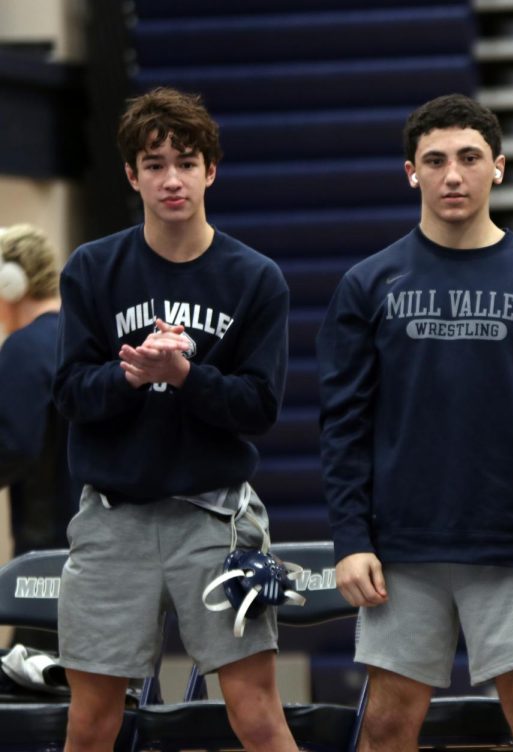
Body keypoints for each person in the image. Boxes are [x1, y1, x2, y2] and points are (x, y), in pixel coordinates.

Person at [317, 93, 513, 752]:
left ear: (499, 168)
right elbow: (343, 427)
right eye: (434, 160)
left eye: (469, 158)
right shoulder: (369, 285)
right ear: (410, 173)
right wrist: (349, 537)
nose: (452, 175)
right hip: (402, 550)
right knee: (387, 726)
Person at [54, 87, 298, 752]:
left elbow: (259, 408)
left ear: (210, 171)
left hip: (214, 519)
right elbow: (72, 394)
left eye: (186, 163)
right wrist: (130, 375)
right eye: (155, 164)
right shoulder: (93, 269)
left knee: (254, 713)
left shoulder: (255, 278)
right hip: (113, 517)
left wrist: (186, 378)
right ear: (131, 176)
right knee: (92, 722)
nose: (172, 179)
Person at [0, 224, 75, 651]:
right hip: (102, 541)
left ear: (11, 283)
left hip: (46, 553)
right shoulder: (84, 337)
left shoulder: (25, 348)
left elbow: (14, 444)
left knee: (32, 685)